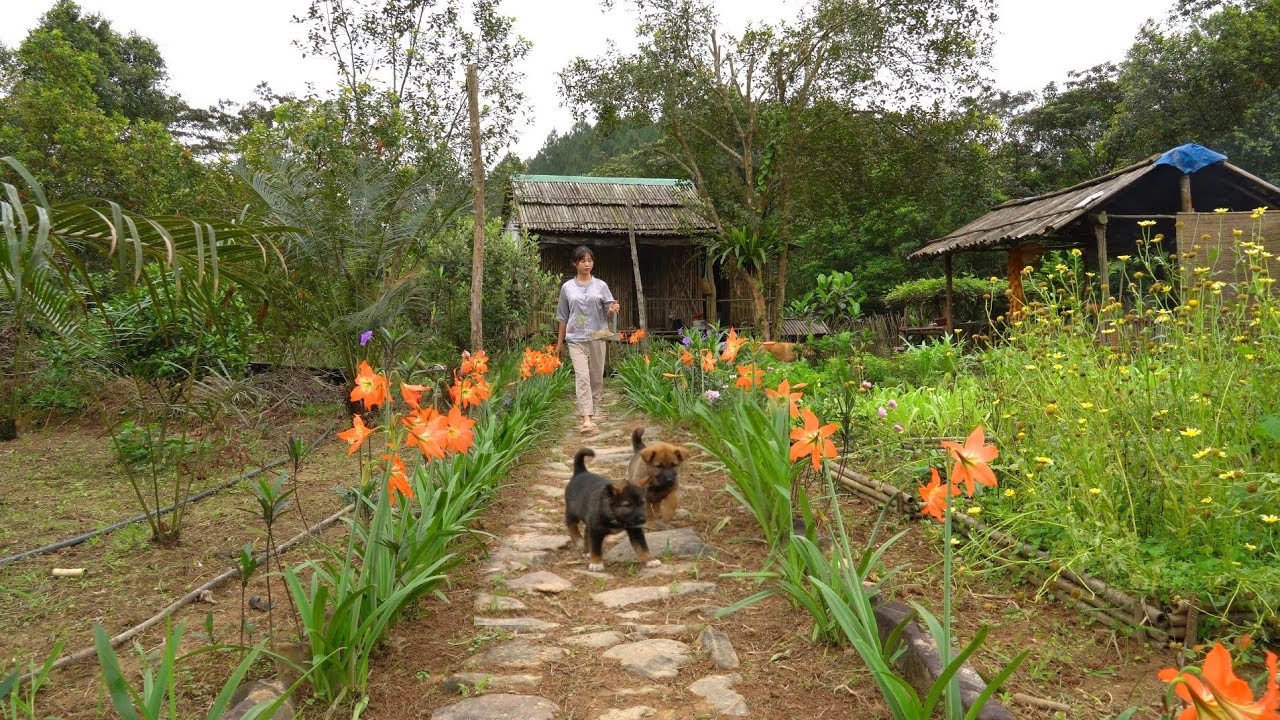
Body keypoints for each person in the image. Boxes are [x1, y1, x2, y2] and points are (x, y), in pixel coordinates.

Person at [555, 246, 620, 434]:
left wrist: (611, 310)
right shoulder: (567, 288)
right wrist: (560, 343)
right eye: (583, 261)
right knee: (582, 377)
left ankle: (592, 411)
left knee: (596, 378)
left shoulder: (601, 286)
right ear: (575, 263)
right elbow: (562, 317)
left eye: (590, 260)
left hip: (597, 336)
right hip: (575, 338)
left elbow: (607, 312)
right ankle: (587, 419)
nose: (587, 264)